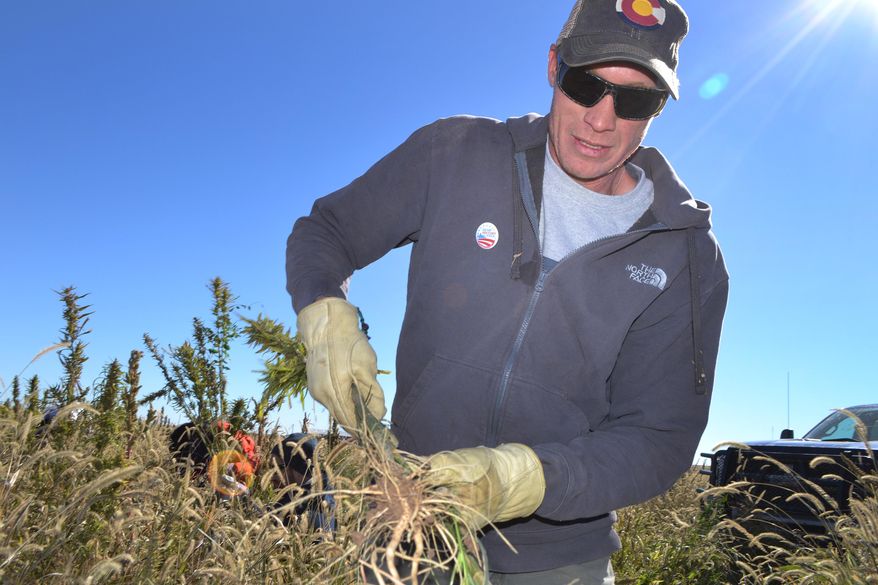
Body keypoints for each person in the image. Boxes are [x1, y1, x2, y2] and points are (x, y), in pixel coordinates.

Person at [286, 0, 728, 582]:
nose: (601, 118)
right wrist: (325, 312)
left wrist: (527, 477)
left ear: (660, 109)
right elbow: (328, 231)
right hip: (409, 529)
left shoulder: (685, 256)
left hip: (559, 558)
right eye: (585, 83)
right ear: (553, 66)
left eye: (636, 99)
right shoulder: (453, 153)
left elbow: (659, 438)